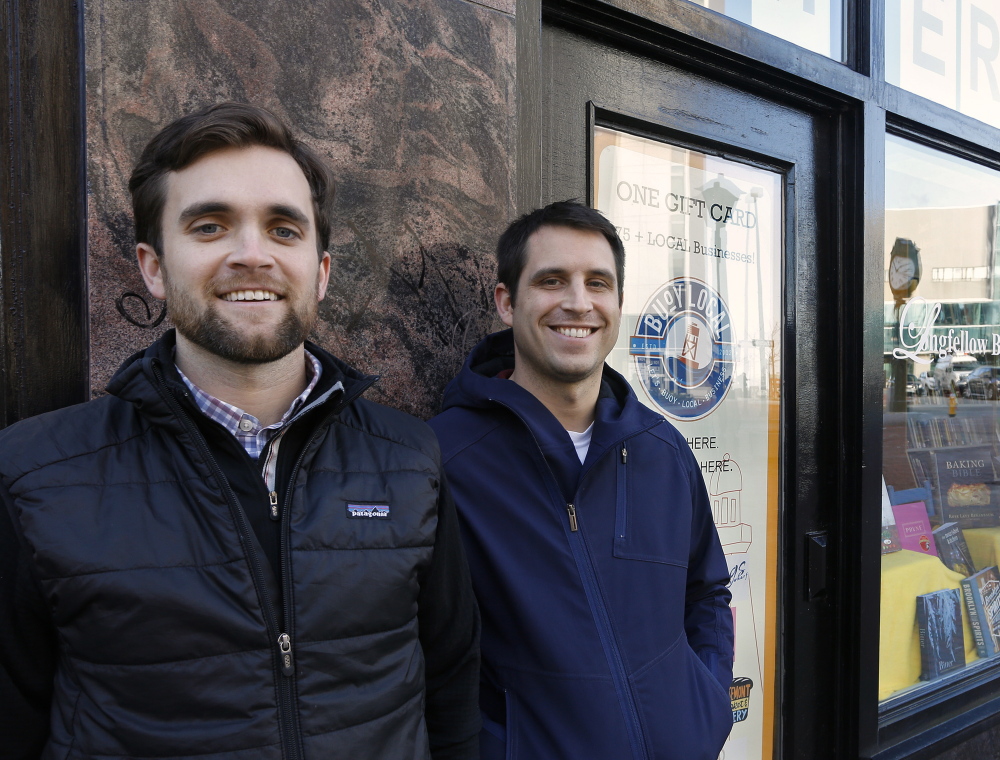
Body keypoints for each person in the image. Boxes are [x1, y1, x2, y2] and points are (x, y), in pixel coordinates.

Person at [0, 103, 480, 760]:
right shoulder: (34, 475)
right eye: (209, 226)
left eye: (283, 230)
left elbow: (450, 687)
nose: (251, 255)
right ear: (152, 266)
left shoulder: (408, 458)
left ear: (322, 271)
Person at [429, 201, 734, 760]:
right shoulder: (446, 461)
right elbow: (420, 653)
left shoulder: (662, 450)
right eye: (551, 280)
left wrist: (705, 706)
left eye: (598, 283)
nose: (578, 302)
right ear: (506, 301)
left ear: (617, 302)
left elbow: (707, 591)